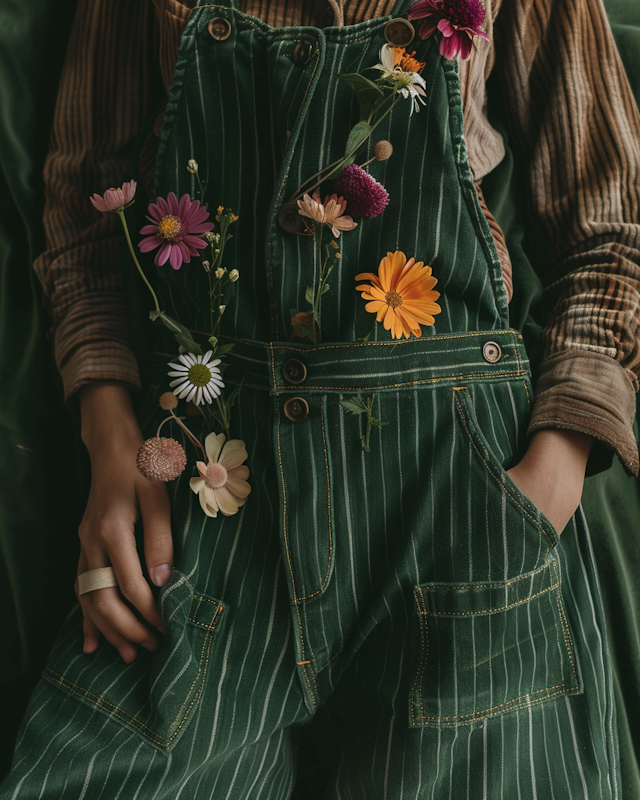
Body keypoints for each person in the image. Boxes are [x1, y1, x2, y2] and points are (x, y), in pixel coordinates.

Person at [1, 0, 639, 796]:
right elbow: (83, 206)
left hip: (457, 505)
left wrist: (551, 477)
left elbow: (610, 229)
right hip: (209, 498)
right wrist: (108, 441)